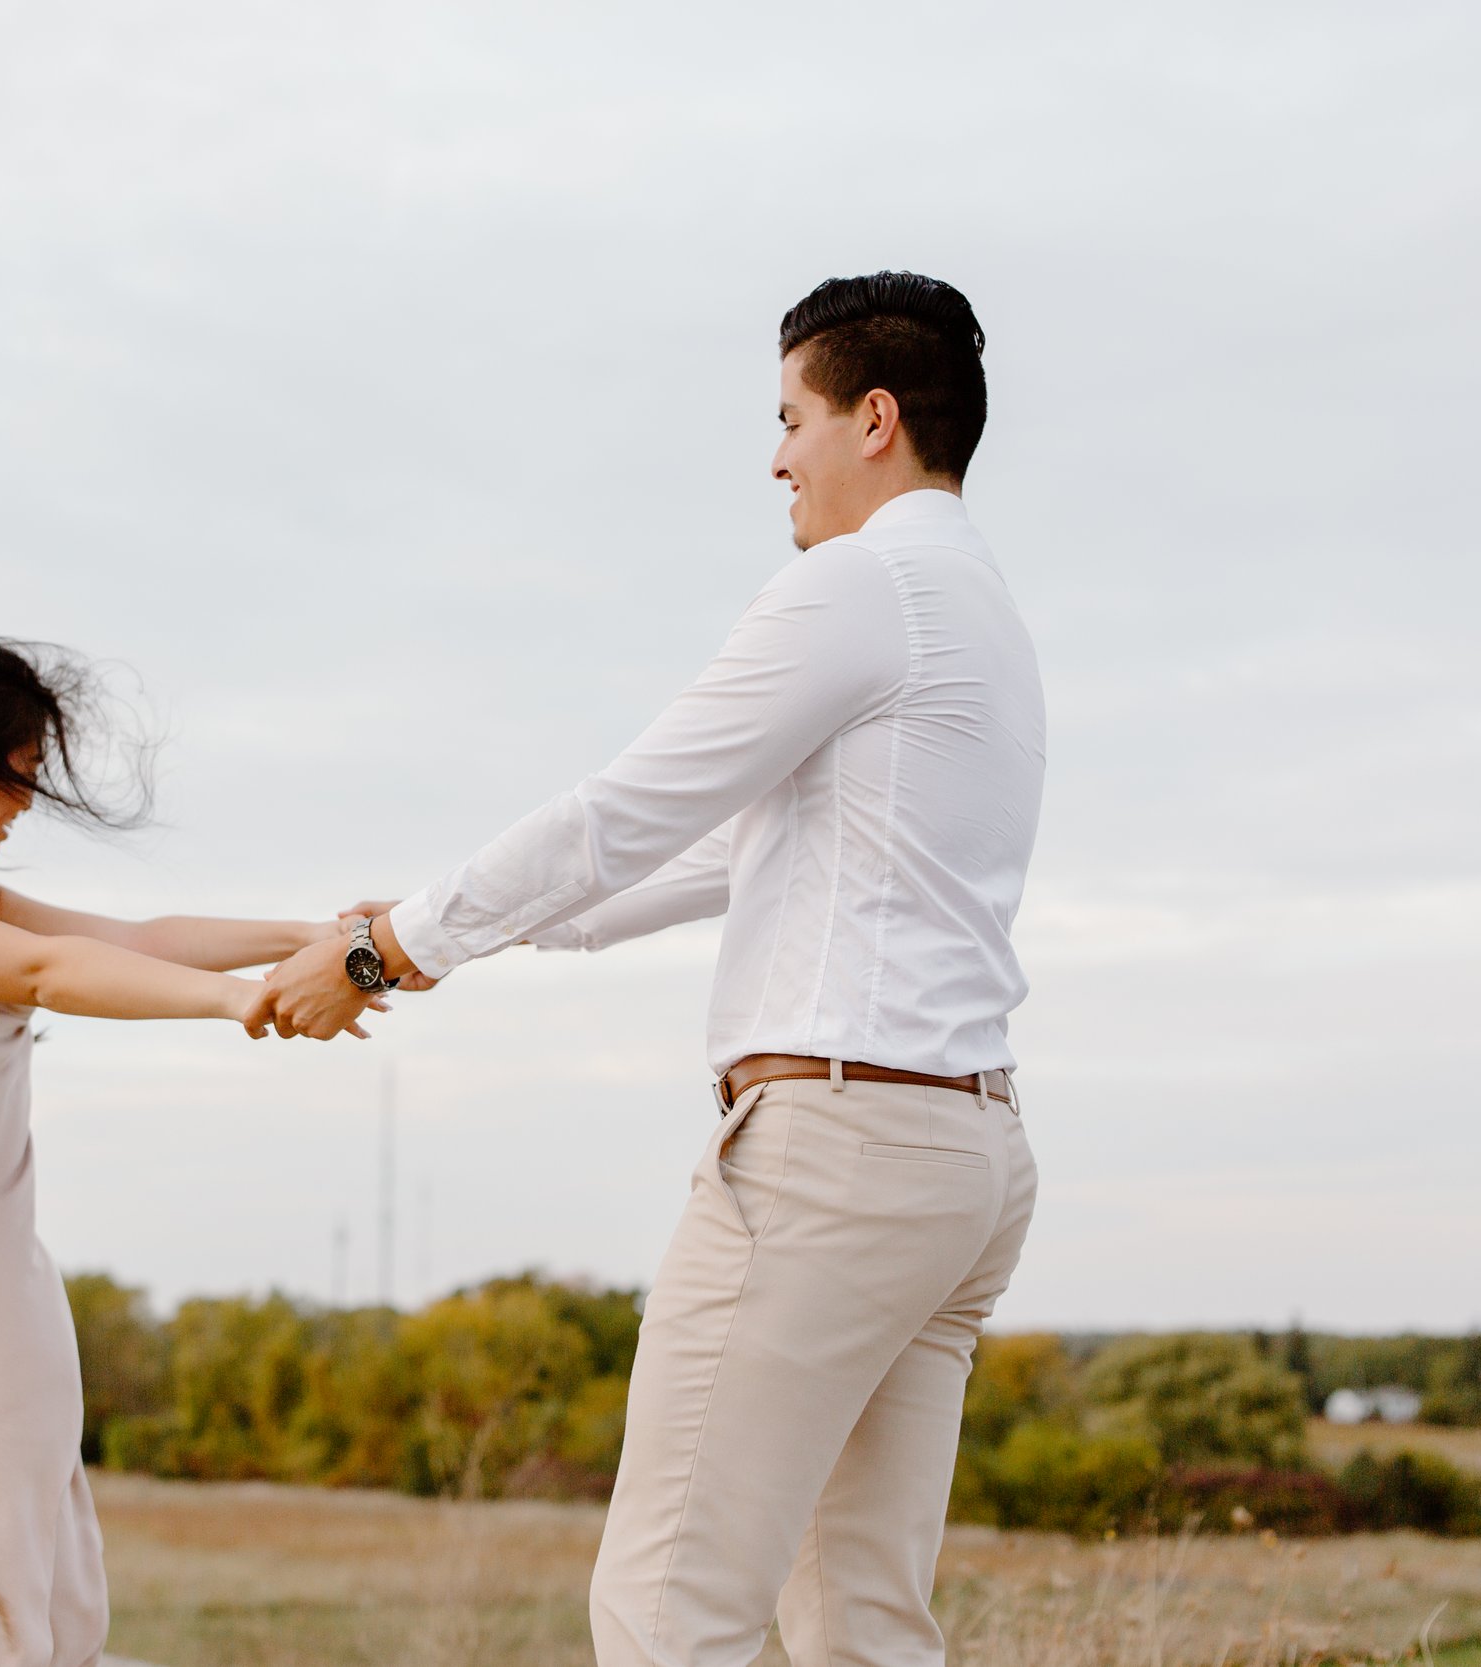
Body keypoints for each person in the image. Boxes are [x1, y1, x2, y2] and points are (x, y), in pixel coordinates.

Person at [270, 272, 1046, 1667]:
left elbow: (629, 809)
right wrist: (440, 927)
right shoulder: (982, 609)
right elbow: (720, 858)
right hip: (961, 1154)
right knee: (866, 1618)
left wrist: (389, 951)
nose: (775, 457)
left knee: (667, 1611)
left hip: (837, 1152)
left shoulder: (861, 586)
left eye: (790, 417)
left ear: (873, 419)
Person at [0, 636, 348, 1667]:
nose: (25, 805)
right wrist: (238, 1003)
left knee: (59, 1606)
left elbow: (136, 939)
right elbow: (46, 970)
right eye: (22, 776)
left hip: (1, 1283)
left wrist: (312, 933)